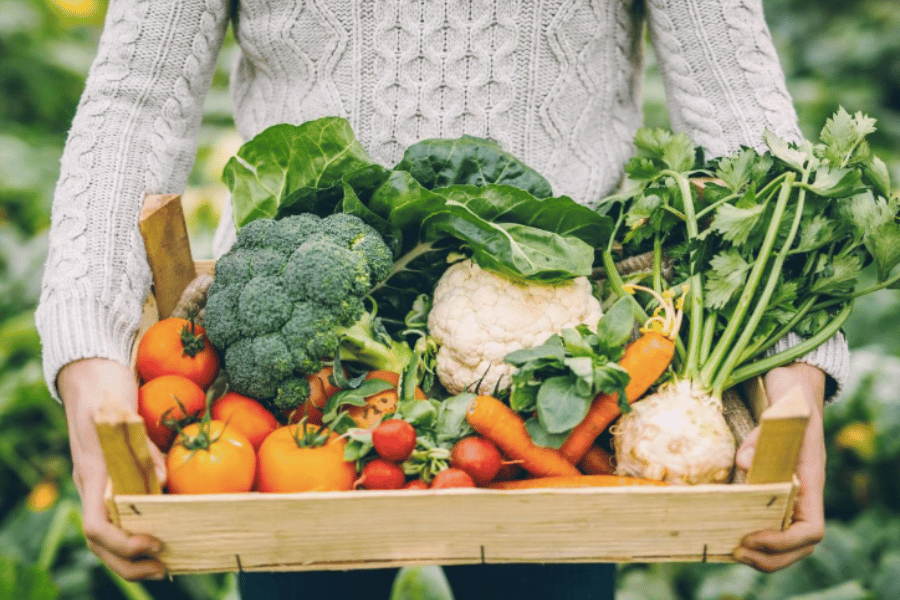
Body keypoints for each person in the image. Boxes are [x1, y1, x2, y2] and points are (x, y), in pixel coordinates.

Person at [36, 0, 849, 596]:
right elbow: (134, 104)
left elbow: (735, 99)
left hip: (562, 389)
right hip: (303, 389)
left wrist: (799, 365)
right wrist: (88, 351)